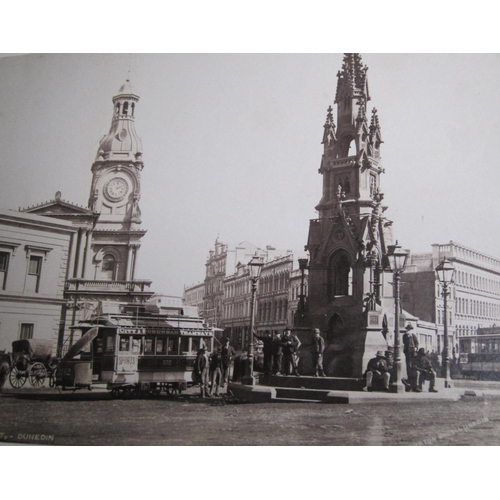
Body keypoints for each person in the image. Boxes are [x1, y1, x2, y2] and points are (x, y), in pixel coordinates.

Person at [402, 324, 419, 392]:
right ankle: (409, 383)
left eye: (410, 329)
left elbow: (416, 343)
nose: (409, 330)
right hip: (407, 352)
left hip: (413, 352)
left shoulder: (413, 335)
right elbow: (404, 342)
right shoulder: (405, 336)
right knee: (408, 366)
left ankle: (414, 385)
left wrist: (415, 348)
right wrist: (407, 337)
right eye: (408, 329)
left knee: (413, 367)